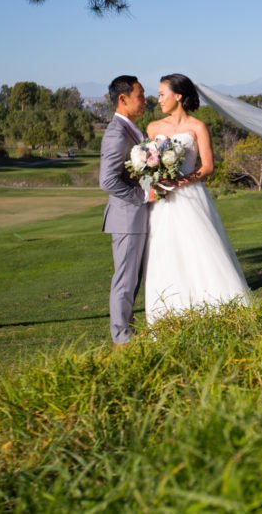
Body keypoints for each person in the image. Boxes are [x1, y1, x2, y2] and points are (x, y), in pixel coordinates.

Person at [143, 73, 252, 325]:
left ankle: (219, 311)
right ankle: (170, 315)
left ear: (178, 96)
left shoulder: (197, 127)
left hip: (190, 196)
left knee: (201, 249)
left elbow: (208, 167)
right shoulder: (153, 128)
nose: (158, 99)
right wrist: (155, 184)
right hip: (163, 200)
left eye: (162, 94)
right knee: (164, 252)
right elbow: (149, 164)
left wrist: (179, 182)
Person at [98, 75, 154, 344]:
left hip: (137, 217)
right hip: (126, 218)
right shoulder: (116, 133)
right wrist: (143, 195)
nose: (145, 100)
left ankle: (128, 332)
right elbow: (107, 180)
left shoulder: (131, 129)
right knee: (124, 282)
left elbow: (134, 171)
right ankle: (121, 338)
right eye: (140, 95)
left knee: (133, 282)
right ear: (123, 99)